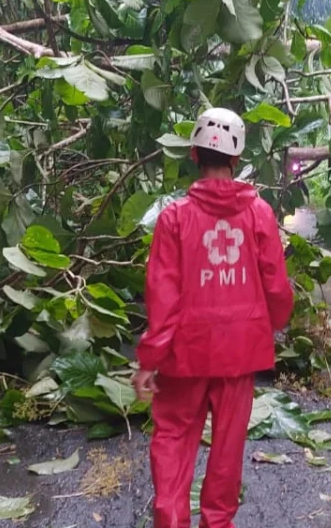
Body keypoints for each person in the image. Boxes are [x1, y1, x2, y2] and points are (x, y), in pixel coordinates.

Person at [132, 107, 294, 528]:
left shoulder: (174, 218)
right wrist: (270, 325)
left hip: (184, 354)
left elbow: (161, 298)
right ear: (237, 159)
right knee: (226, 449)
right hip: (240, 353)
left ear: (193, 155)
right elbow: (276, 284)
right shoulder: (258, 213)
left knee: (172, 440)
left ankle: (170, 519)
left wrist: (150, 359)